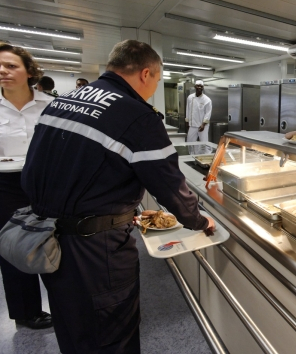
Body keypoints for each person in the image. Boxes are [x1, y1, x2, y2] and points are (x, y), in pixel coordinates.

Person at [21, 40, 215, 353]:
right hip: (96, 250)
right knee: (112, 333)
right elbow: (168, 184)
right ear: (146, 73)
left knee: (72, 325)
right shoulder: (138, 116)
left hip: (48, 238)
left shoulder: (64, 101)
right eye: (156, 81)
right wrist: (198, 219)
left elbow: (48, 167)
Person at [0, 42, 53, 329]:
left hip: (45, 182)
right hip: (5, 185)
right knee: (12, 247)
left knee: (51, 242)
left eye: (11, 66)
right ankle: (26, 311)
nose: (3, 71)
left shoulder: (50, 105)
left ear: (29, 71)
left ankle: (62, 303)